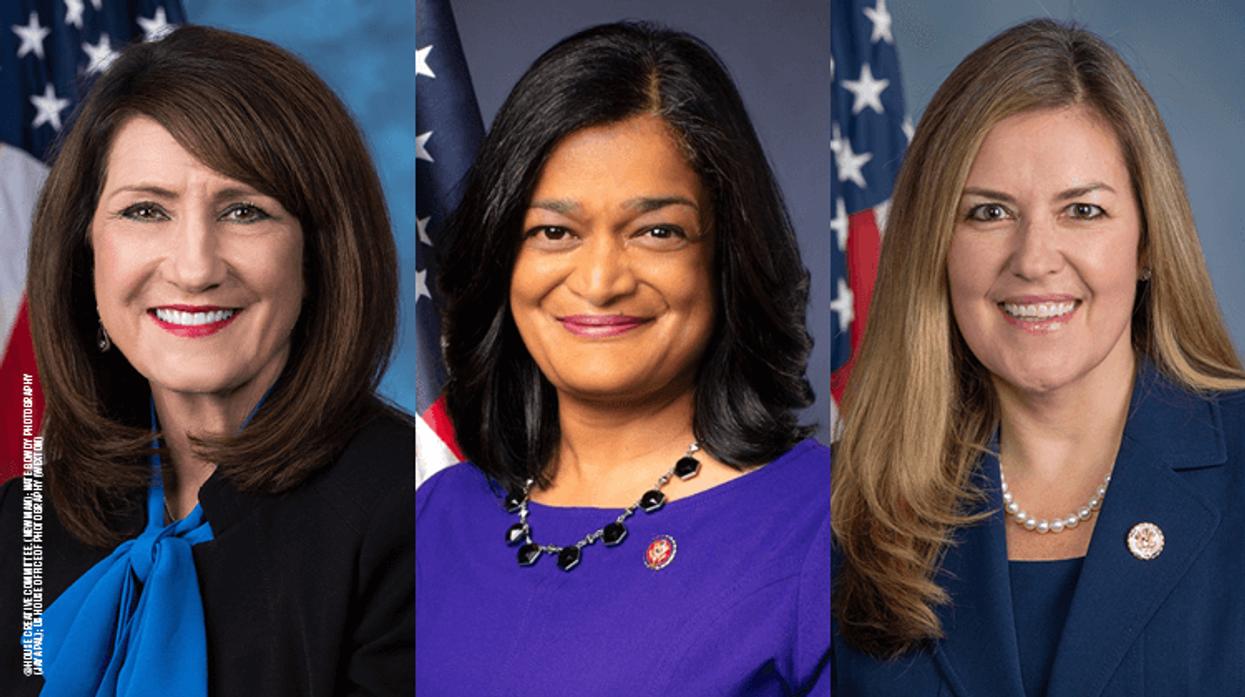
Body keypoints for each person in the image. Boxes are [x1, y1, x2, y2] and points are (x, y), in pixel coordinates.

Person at [831, 19, 1245, 696]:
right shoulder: (844, 511)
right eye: (988, 213)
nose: (1032, 260)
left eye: (1081, 210)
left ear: (1146, 243)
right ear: (934, 243)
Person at [416, 22, 832, 695]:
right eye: (554, 231)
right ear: (502, 256)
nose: (601, 279)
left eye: (656, 231)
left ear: (724, 257)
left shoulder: (823, 525)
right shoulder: (434, 516)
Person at [0, 26, 415, 695]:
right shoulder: (25, 521)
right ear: (87, 251)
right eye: (144, 210)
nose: (194, 268)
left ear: (318, 256)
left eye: (245, 211)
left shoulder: (417, 512)